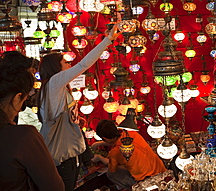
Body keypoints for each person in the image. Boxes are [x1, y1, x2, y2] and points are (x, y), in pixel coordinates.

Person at [37, 24, 122, 191]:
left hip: (68, 153)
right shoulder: (54, 83)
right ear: (56, 68)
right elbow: (83, 65)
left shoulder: (57, 89)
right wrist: (108, 40)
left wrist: (73, 118)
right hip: (61, 156)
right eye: (65, 62)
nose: (69, 65)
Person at [0, 52, 64, 190]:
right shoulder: (23, 138)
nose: (21, 109)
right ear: (17, 98)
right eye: (23, 100)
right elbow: (54, 187)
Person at [92, 119, 167, 190]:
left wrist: (99, 158)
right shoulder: (131, 133)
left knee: (110, 174)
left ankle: (132, 187)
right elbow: (118, 140)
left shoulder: (115, 152)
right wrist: (101, 143)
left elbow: (112, 169)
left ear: (105, 138)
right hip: (161, 170)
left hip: (146, 180)